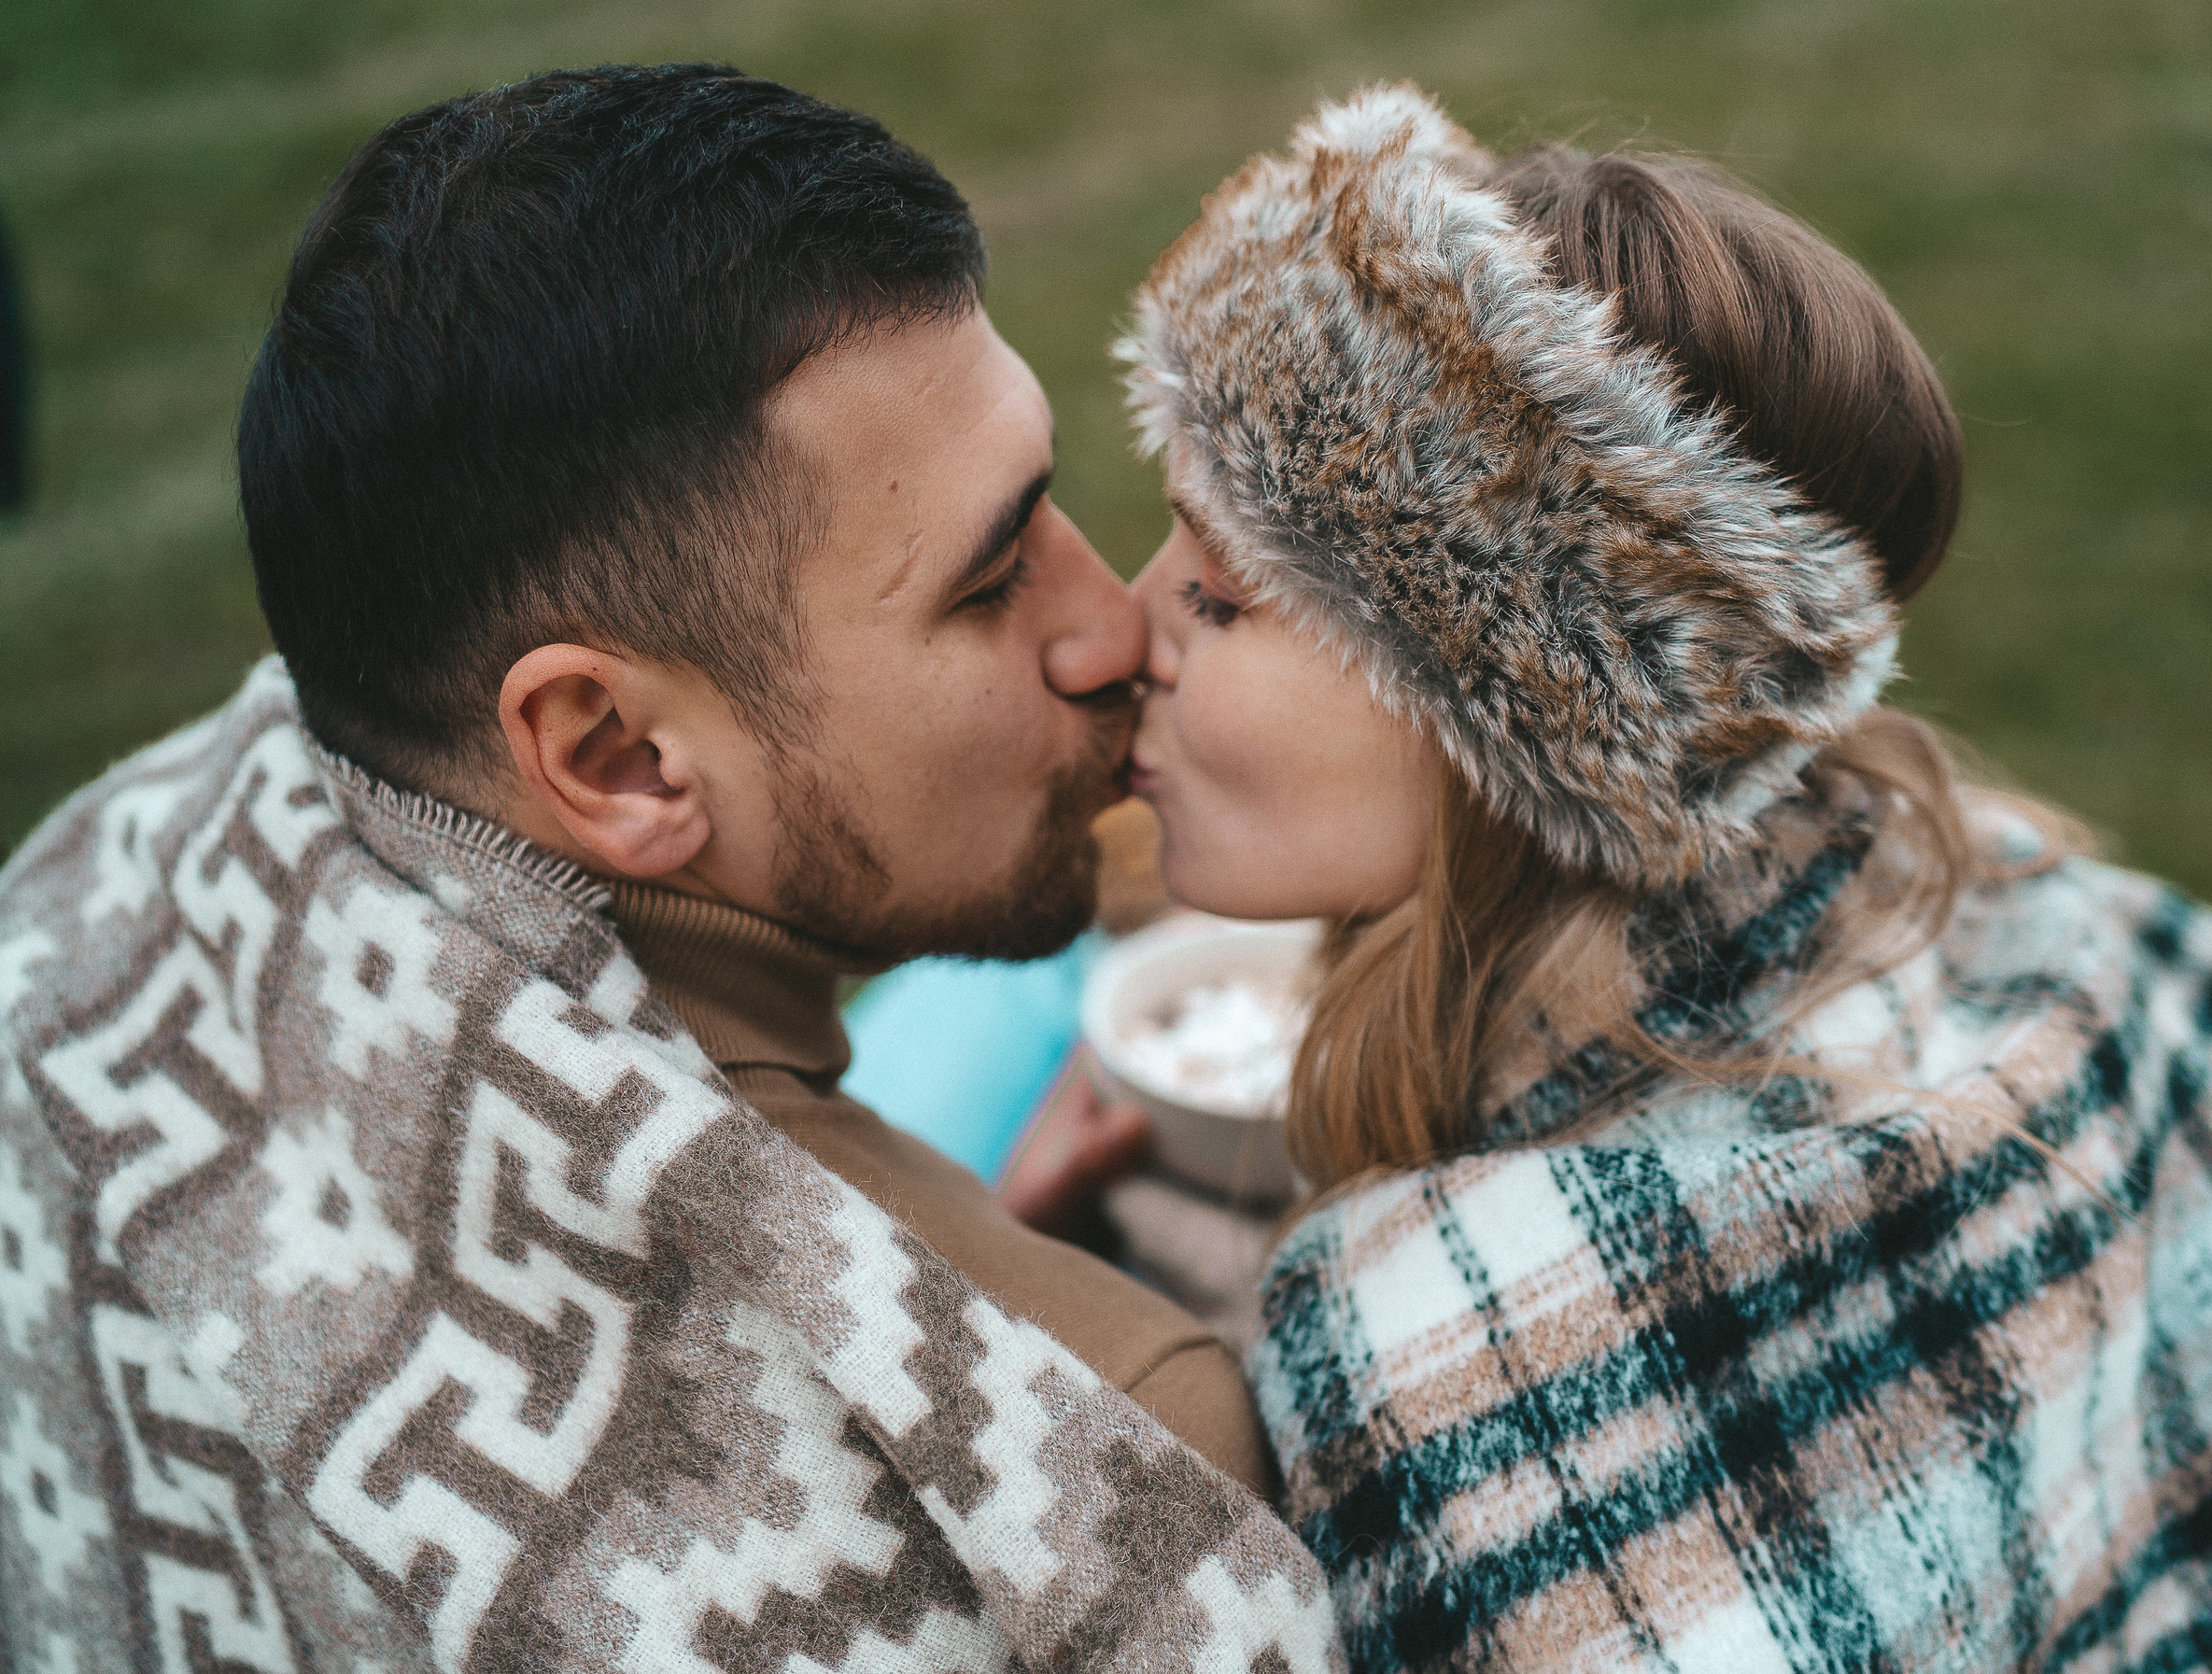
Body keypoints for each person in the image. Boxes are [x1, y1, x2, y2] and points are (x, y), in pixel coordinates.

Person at [0, 65, 1336, 1673]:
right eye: (989, 584)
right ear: (613, 754)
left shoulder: (87, 879)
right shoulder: (1111, 1468)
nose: (1111, 621)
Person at [1113, 84, 2212, 1670]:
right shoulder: (2102, 932)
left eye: (1222, 598)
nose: (1118, 627)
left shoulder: (1441, 1357)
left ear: (1497, 725)